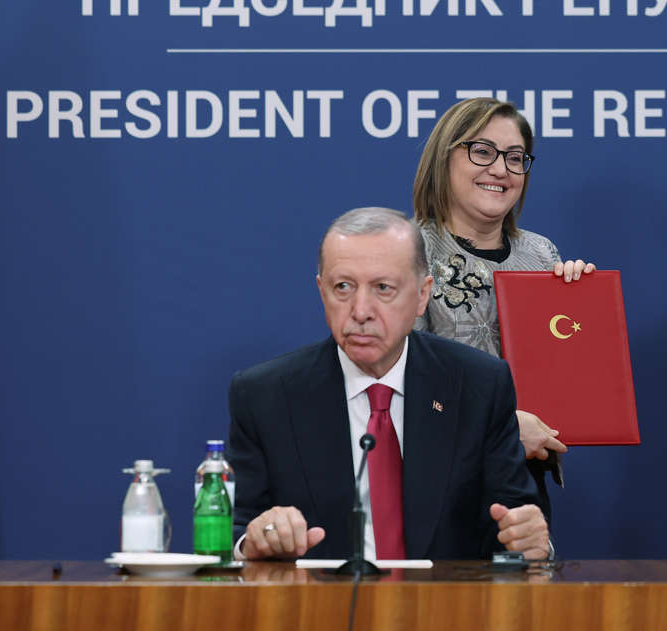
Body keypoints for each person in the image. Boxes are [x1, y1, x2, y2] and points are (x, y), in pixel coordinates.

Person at [227, 207, 551, 561]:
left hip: (445, 609)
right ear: (322, 291)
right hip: (320, 610)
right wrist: (255, 540)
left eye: (383, 288)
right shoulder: (265, 396)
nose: (360, 310)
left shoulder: (478, 385)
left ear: (423, 295)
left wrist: (533, 541)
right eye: (343, 287)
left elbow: (515, 519)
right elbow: (238, 529)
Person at [412, 97, 594, 475]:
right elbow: (400, 384)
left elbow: (563, 376)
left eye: (515, 158)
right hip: (437, 478)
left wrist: (581, 302)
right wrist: (506, 428)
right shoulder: (408, 251)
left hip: (523, 478)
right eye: (482, 152)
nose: (500, 169)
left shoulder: (542, 254)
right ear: (443, 159)